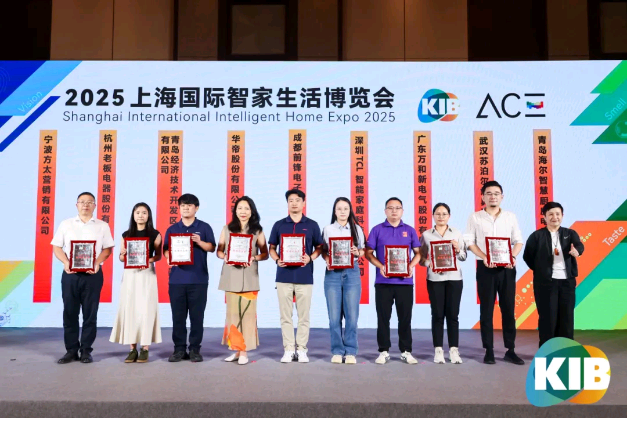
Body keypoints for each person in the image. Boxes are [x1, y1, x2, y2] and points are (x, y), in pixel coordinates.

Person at [464, 180, 524, 365]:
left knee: (508, 309)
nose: (492, 196)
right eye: (489, 193)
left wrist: (512, 257)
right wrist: (484, 257)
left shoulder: (510, 217)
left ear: (502, 197)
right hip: (485, 269)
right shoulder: (475, 217)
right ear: (482, 197)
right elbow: (469, 242)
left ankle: (510, 350)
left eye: (496, 193)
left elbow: (518, 241)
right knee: (486, 310)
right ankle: (488, 350)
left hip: (507, 269)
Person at [52, 192, 114, 364]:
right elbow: (56, 246)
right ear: (76, 205)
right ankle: (71, 351)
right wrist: (66, 262)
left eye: (89, 202)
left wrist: (97, 262)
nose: (85, 205)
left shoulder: (102, 226)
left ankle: (86, 350)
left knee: (90, 314)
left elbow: (108, 249)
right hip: (70, 275)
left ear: (94, 205)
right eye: (82, 202)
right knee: (70, 313)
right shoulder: (66, 224)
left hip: (93, 275)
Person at [268, 189, 323, 363]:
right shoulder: (279, 225)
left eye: (297, 200)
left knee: (303, 316)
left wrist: (310, 258)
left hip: (304, 277)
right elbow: (271, 248)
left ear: (303, 203)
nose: (294, 203)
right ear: (287, 203)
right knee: (285, 316)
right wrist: (277, 260)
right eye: (290, 200)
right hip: (283, 276)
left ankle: (302, 350)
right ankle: (289, 349)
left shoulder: (312, 225)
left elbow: (320, 247)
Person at [365, 197, 421, 365]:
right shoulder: (377, 230)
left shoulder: (410, 230)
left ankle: (406, 351)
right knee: (383, 318)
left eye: (397, 208)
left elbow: (418, 253)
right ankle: (383, 351)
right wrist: (380, 266)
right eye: (390, 208)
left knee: (405, 318)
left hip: (405, 282)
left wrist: (411, 266)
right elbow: (368, 253)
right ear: (385, 211)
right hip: (383, 282)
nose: (394, 211)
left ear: (402, 211)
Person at [523, 202, 584, 347]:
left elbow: (579, 245)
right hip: (545, 283)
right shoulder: (536, 236)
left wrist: (577, 251)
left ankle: (566, 349)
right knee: (547, 318)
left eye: (557, 214)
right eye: (550, 214)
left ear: (562, 216)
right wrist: (541, 270)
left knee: (566, 318)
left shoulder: (570, 233)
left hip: (567, 282)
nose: (554, 217)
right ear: (544, 217)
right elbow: (527, 256)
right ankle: (547, 351)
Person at [216, 196, 269, 365]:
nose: (243, 212)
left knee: (247, 315)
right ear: (235, 211)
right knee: (232, 315)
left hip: (249, 276)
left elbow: (265, 253)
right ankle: (237, 350)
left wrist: (254, 258)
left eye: (246, 208)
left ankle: (244, 351)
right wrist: (224, 257)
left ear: (252, 211)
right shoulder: (227, 229)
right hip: (231, 275)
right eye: (240, 208)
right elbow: (219, 251)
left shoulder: (257, 230)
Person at [163, 193, 216, 363]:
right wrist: (169, 257)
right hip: (177, 280)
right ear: (179, 208)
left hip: (198, 279)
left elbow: (212, 248)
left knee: (197, 317)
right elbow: (165, 250)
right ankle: (179, 349)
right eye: (183, 205)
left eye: (189, 205)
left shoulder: (204, 227)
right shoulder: (172, 229)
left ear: (196, 208)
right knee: (178, 317)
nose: (186, 208)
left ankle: (194, 349)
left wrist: (199, 242)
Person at [110, 203, 163, 363]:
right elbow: (121, 258)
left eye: (144, 212)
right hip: (130, 274)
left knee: (146, 310)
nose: (140, 215)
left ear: (149, 215)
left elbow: (158, 256)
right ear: (133, 215)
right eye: (138, 212)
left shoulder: (155, 234)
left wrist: (147, 261)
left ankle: (145, 348)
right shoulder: (126, 234)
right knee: (130, 309)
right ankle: (132, 349)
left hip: (147, 274)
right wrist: (123, 254)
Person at [419, 203, 466, 364]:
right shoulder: (426, 235)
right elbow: (421, 258)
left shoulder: (456, 233)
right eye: (437, 214)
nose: (441, 216)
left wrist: (458, 249)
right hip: (435, 279)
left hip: (454, 278)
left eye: (444, 214)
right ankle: (438, 350)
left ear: (449, 216)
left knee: (453, 315)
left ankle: (454, 350)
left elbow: (464, 256)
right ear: (433, 216)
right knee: (437, 315)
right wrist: (429, 264)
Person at [321, 197, 366, 364]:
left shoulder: (357, 229)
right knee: (334, 317)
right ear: (334, 211)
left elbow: (363, 250)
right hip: (332, 273)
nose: (342, 211)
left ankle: (351, 351)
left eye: (345, 208)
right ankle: (337, 351)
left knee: (352, 316)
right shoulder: (327, 229)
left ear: (350, 211)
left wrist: (357, 252)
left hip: (351, 272)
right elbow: (323, 250)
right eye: (339, 208)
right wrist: (327, 259)